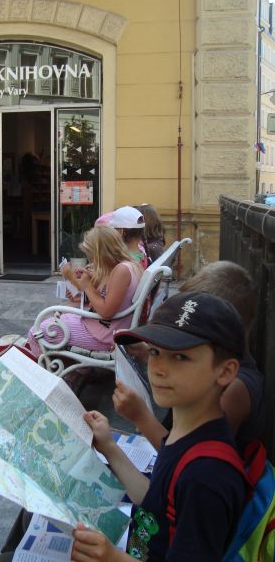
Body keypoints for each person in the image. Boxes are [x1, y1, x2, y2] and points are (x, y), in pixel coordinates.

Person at [71, 291, 247, 561]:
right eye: (154, 352)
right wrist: (108, 446)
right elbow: (155, 501)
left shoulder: (206, 477)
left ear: (225, 371)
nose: (158, 368)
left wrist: (110, 558)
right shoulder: (187, 429)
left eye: (180, 357)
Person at [113, 261, 265, 452]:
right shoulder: (219, 366)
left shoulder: (234, 389)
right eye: (155, 353)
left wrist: (141, 417)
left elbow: (189, 456)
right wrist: (146, 353)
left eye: (180, 357)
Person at [27, 225, 142, 358]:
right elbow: (110, 294)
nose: (91, 259)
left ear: (101, 253)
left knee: (36, 333)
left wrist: (87, 285)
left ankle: (43, 368)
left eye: (91, 255)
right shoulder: (131, 265)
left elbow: (106, 312)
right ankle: (66, 366)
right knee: (56, 320)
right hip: (103, 327)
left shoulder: (122, 271)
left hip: (102, 334)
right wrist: (91, 278)